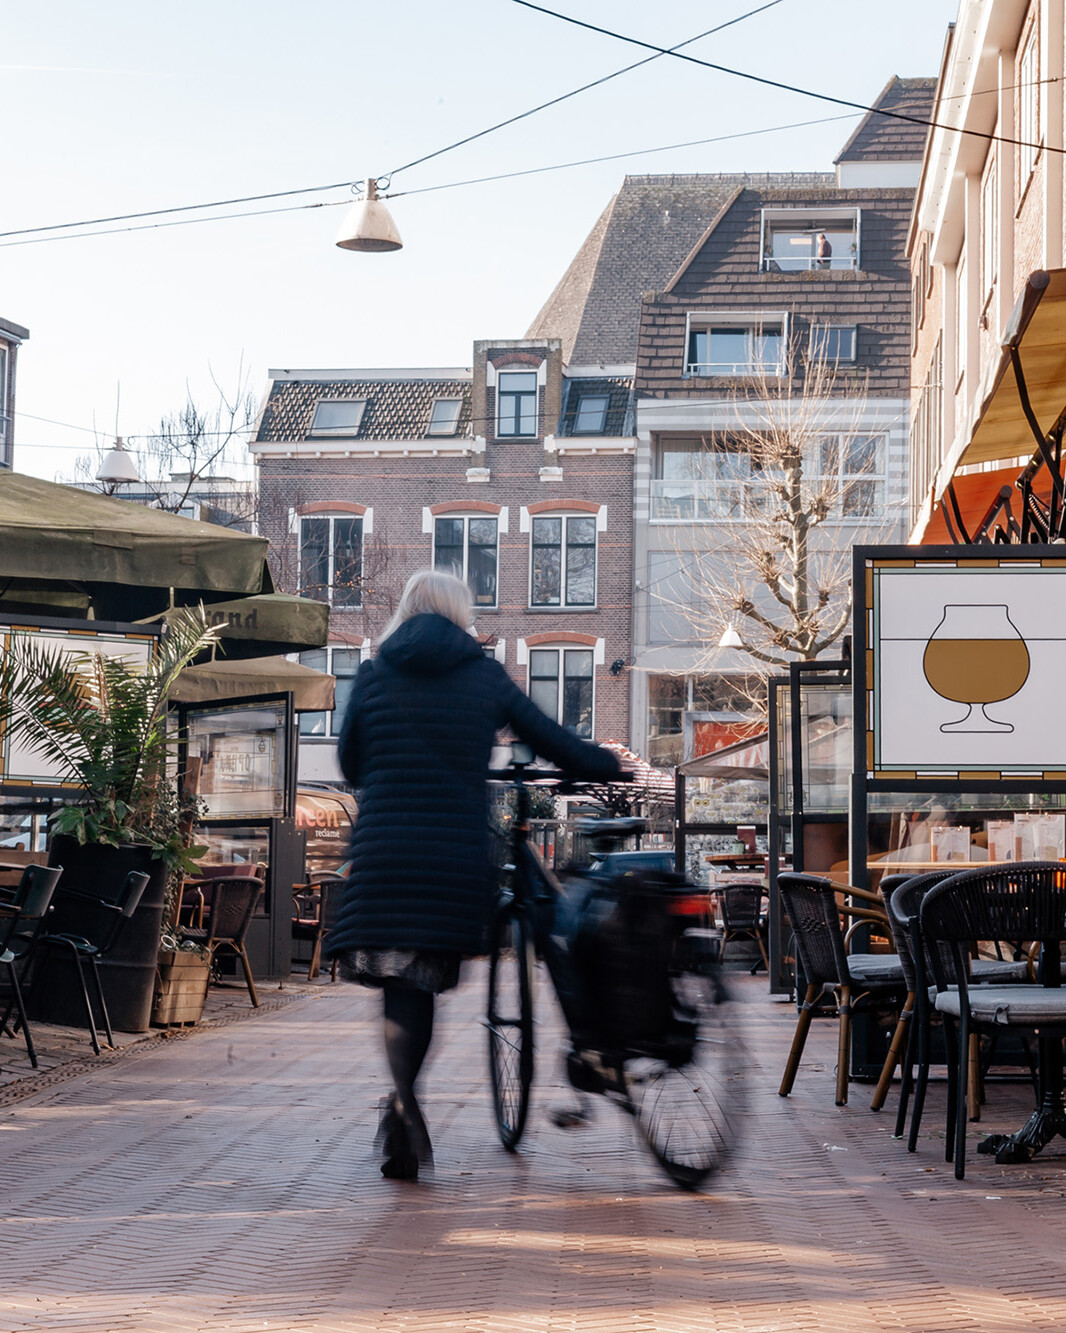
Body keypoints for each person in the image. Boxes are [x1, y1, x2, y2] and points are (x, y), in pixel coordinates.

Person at [329, 568, 623, 1180]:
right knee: (427, 978)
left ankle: (405, 1105)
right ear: (461, 614)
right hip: (450, 853)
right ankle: (414, 1102)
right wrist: (601, 763)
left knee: (398, 988)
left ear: (406, 610)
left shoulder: (376, 673)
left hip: (385, 848)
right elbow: (547, 736)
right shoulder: (480, 672)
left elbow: (350, 760)